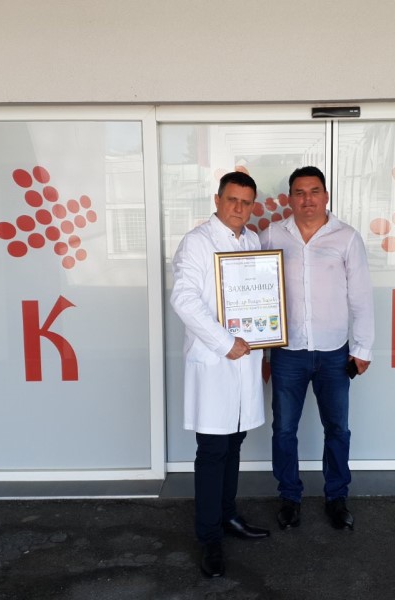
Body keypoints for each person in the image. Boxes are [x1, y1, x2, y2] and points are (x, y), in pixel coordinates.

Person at [260, 166, 374, 531]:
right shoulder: (272, 235)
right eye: (299, 192)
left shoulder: (347, 238)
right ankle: (289, 497)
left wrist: (363, 348)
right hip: (288, 353)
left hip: (334, 352)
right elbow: (254, 287)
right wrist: (259, 347)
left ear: (326, 196)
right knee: (284, 430)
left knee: (337, 429)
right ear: (290, 198)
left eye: (314, 191)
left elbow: (361, 297)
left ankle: (336, 497)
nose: (307, 199)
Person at [170, 171, 270, 578]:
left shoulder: (252, 241)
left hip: (245, 359)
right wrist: (224, 342)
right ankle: (209, 536)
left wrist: (264, 335)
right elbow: (184, 299)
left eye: (246, 202)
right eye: (232, 200)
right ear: (217, 199)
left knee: (234, 443)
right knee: (213, 450)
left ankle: (228, 516)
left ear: (252, 206)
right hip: (216, 360)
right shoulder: (197, 242)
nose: (238, 208)